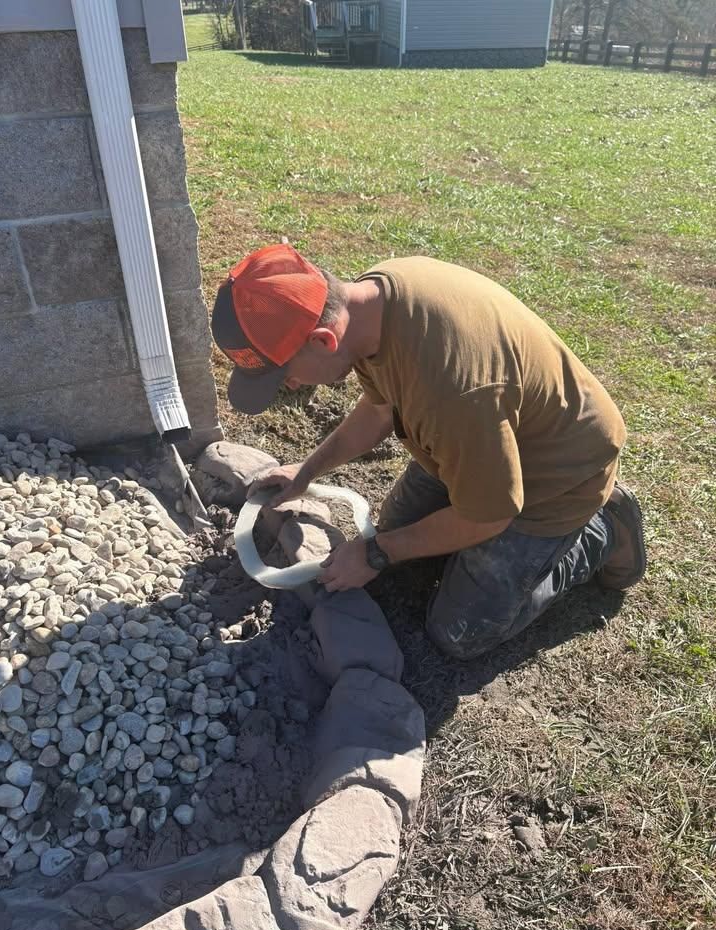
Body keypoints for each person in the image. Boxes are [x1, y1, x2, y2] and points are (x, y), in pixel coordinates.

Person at [210, 243, 646, 661]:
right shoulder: (369, 308)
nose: (289, 386)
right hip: (475, 442)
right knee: (397, 546)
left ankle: (603, 527)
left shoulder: (451, 389)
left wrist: (377, 552)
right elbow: (379, 410)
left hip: (557, 473)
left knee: (459, 632)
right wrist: (305, 474)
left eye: (284, 375)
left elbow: (489, 515)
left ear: (324, 340)